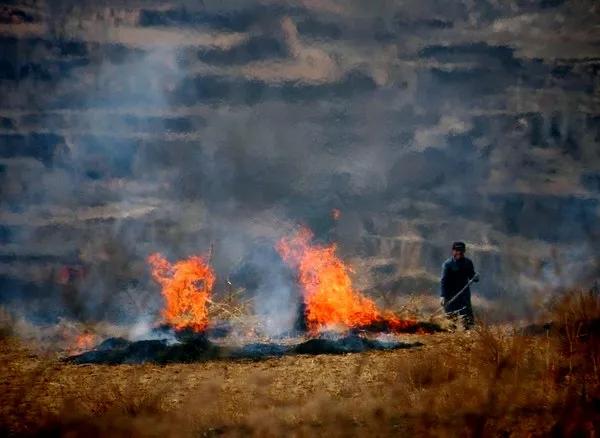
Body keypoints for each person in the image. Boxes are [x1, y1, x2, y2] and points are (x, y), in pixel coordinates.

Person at [440, 241, 479, 328]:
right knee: (450, 321)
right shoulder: (448, 264)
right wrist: (442, 296)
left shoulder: (468, 263)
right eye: (457, 250)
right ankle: (451, 337)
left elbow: (471, 275)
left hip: (464, 295)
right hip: (450, 295)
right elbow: (443, 281)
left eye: (461, 250)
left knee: (467, 319)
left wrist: (475, 277)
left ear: (464, 251)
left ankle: (468, 335)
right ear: (453, 251)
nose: (459, 252)